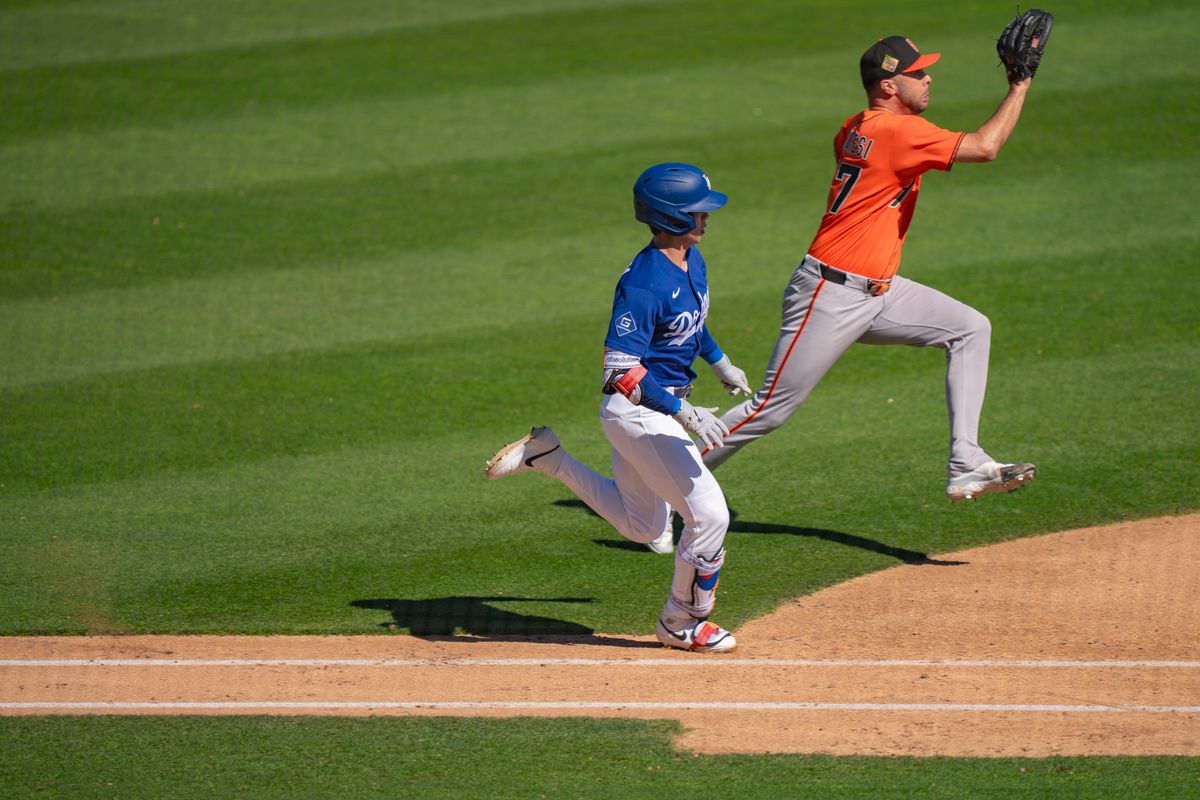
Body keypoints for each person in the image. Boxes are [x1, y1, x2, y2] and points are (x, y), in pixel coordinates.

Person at [703, 36, 1037, 501]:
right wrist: (1019, 85)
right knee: (770, 409)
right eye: (917, 73)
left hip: (877, 291)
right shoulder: (900, 132)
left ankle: (966, 461)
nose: (928, 78)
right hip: (831, 291)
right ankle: (654, 481)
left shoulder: (856, 125)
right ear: (887, 86)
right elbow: (986, 146)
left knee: (970, 329)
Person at [485, 163, 753, 652]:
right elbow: (621, 371)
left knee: (643, 526)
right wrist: (683, 412)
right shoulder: (644, 282)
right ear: (673, 217)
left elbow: (691, 324)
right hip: (639, 413)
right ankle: (682, 622)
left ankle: (550, 457)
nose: (706, 218)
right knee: (710, 517)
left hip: (658, 410)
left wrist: (720, 362)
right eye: (698, 211)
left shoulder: (692, 259)